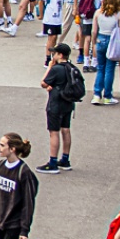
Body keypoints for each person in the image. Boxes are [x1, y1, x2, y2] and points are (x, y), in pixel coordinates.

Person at [40, 42, 81, 171]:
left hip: (56, 103)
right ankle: (65, 159)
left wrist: (49, 67)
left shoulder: (56, 69)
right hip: (68, 102)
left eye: (55, 53)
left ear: (60, 55)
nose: (53, 55)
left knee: (54, 132)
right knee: (66, 129)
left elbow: (43, 83)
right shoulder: (71, 67)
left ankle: (52, 162)